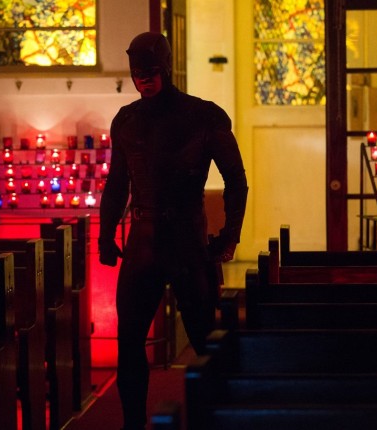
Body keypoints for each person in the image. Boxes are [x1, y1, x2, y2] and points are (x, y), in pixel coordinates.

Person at [98, 31, 248, 430]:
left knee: (204, 339)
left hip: (186, 239)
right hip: (145, 238)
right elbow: (117, 182)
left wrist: (230, 236)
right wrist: (105, 234)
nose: (143, 80)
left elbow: (236, 179)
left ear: (164, 68)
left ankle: (215, 420)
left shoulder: (204, 116)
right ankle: (134, 424)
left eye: (149, 72)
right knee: (130, 341)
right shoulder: (127, 120)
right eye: (137, 73)